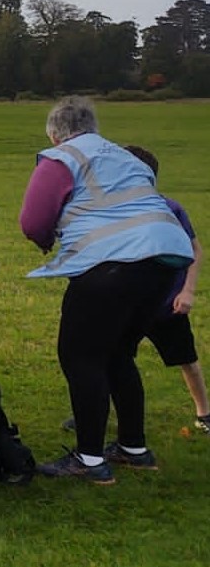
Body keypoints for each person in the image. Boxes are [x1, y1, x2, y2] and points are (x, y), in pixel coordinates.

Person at [20, 98, 193, 483]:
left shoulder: (60, 157)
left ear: (53, 132)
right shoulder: (125, 156)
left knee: (80, 356)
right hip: (164, 261)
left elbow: (33, 221)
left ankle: (90, 460)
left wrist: (48, 240)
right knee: (117, 355)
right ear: (94, 127)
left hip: (112, 264)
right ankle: (133, 448)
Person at [123, 147, 207, 436]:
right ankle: (94, 409)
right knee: (108, 359)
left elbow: (195, 250)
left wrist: (188, 292)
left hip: (164, 304)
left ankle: (204, 413)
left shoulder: (169, 210)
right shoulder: (111, 210)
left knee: (186, 360)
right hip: (123, 304)